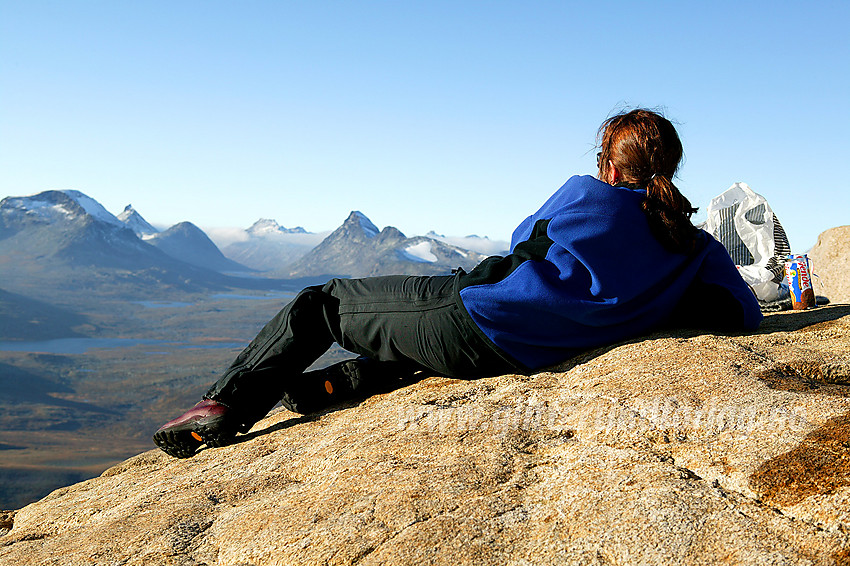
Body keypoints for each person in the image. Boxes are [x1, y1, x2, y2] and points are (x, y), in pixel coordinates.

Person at [154, 108, 762, 458]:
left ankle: (224, 404)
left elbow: (518, 250)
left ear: (607, 160)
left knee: (324, 303)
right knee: (415, 337)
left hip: (477, 322)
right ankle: (340, 383)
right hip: (530, 353)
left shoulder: (589, 195)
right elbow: (742, 313)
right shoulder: (693, 243)